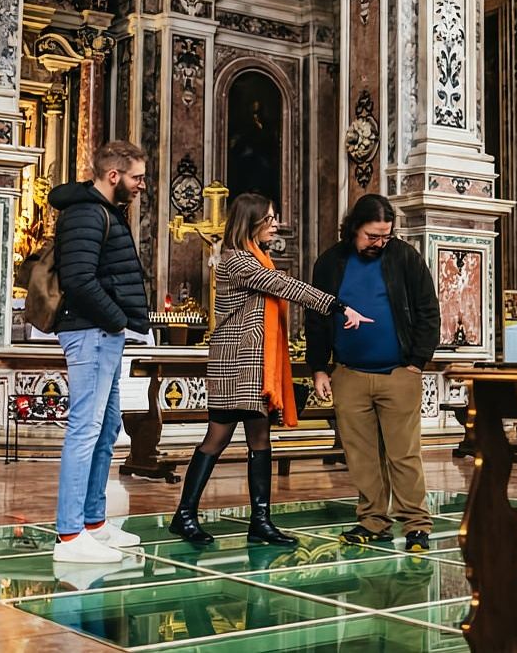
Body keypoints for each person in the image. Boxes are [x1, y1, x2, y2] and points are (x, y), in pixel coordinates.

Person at [169, 193, 372, 546]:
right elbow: (285, 286)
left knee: (260, 438)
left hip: (254, 366)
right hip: (235, 363)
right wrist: (338, 306)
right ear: (252, 223)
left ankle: (260, 520)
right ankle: (185, 514)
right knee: (217, 437)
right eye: (271, 219)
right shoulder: (238, 262)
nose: (276, 225)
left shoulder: (257, 259)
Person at [306, 194, 441, 552]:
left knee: (403, 454)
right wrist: (319, 367)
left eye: (385, 236)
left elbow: (429, 309)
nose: (379, 243)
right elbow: (316, 318)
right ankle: (372, 521)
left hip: (399, 372)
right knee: (360, 455)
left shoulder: (404, 258)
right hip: (348, 373)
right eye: (372, 236)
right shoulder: (330, 262)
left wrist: (417, 362)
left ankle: (416, 524)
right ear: (353, 228)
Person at [47, 140, 150, 562]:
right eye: (136, 177)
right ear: (113, 176)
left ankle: (93, 522)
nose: (142, 185)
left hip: (103, 332)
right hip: (91, 332)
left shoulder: (105, 212)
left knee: (107, 429)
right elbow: (78, 279)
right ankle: (69, 537)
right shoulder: (88, 213)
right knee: (85, 430)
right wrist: (117, 319)